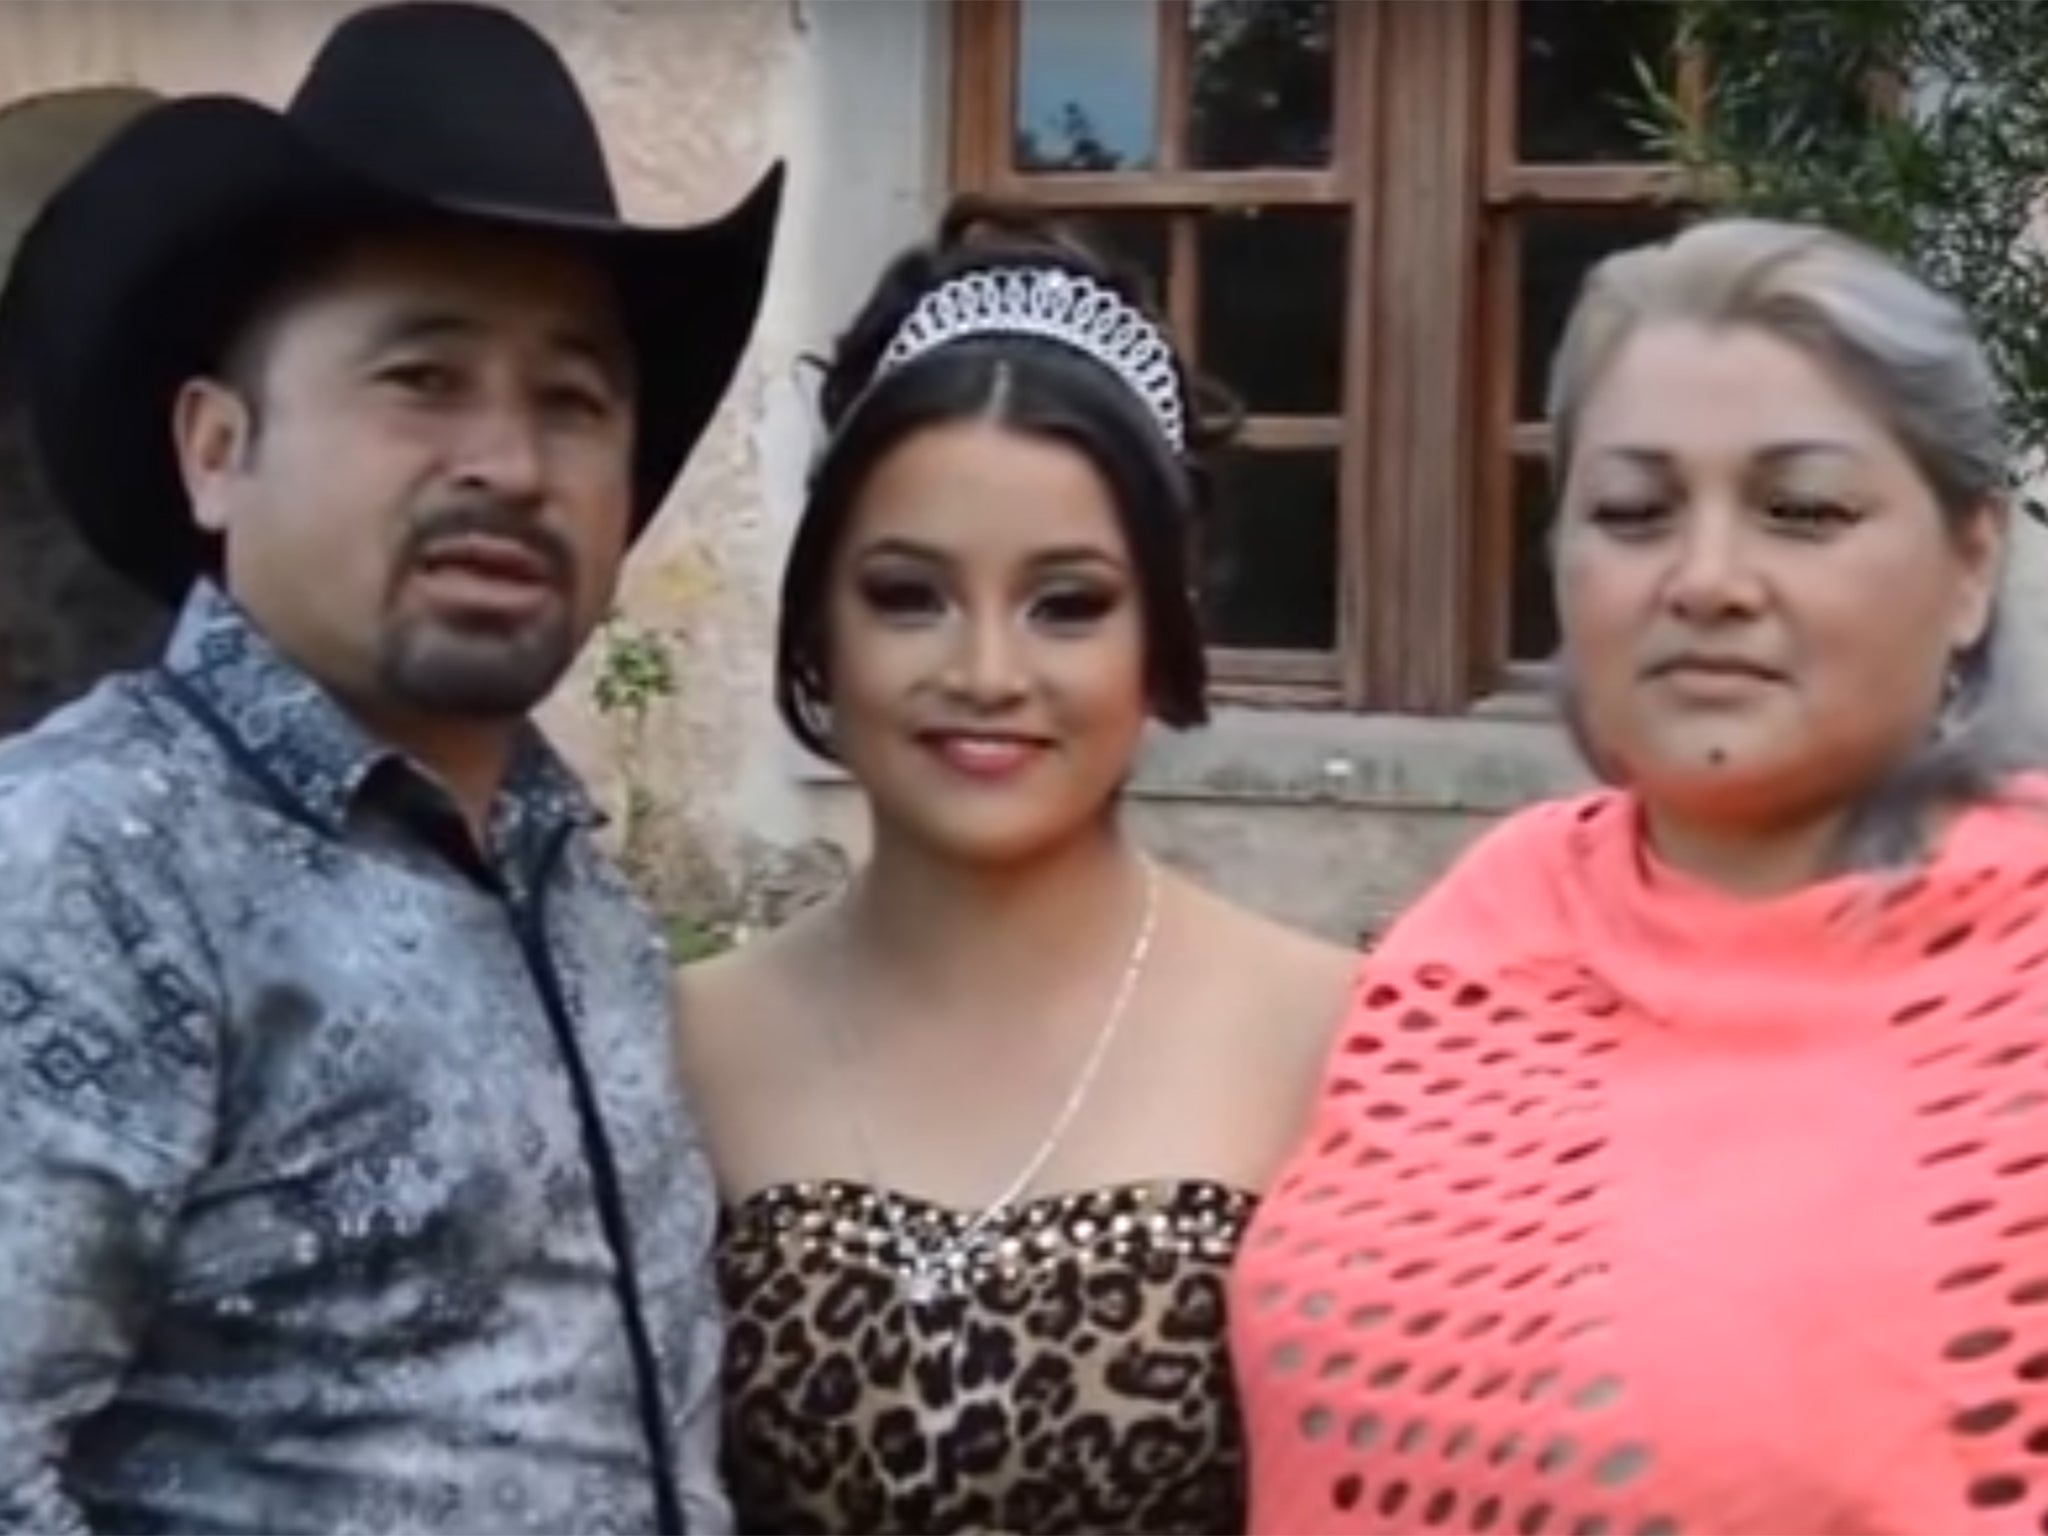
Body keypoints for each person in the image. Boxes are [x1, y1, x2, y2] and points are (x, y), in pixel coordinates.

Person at [0, 6, 782, 1532]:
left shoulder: (584, 904)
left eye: (572, 399)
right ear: (218, 448)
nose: (507, 459)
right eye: (423, 377)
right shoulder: (83, 871)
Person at [1232, 216, 2048, 1534]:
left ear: (1971, 564)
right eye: (1634, 512)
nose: (1708, 580)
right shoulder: (1464, 954)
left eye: (1802, 511)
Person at [674, 201, 1357, 1534]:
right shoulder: (684, 1043)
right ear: (819, 621)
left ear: (1165, 625)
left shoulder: (1337, 1039)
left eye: (1068, 604)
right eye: (909, 596)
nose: (985, 674)